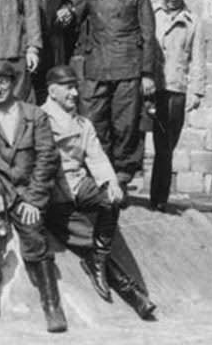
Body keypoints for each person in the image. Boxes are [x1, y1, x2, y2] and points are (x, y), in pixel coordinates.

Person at [41, 65, 157, 320]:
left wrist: (110, 182)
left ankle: (99, 263)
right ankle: (135, 296)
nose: (74, 93)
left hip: (77, 186)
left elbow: (97, 158)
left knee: (111, 200)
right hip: (53, 198)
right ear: (52, 91)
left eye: (75, 86)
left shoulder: (83, 124)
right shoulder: (40, 120)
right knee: (88, 241)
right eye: (68, 88)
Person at [0, 60, 67, 333]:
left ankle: (52, 307)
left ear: (14, 83)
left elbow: (47, 159)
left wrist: (34, 199)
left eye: (4, 82)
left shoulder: (34, 115)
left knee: (34, 236)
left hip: (25, 192)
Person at [69, 0, 155, 187]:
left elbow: (148, 33)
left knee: (125, 125)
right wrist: (64, 15)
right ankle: (100, 177)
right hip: (96, 66)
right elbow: (74, 19)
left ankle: (122, 175)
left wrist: (147, 73)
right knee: (94, 123)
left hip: (127, 68)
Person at [150, 0, 203, 211]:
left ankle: (159, 198)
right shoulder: (151, 15)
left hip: (175, 89)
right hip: (150, 87)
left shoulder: (192, 22)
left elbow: (198, 60)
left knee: (166, 146)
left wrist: (196, 93)